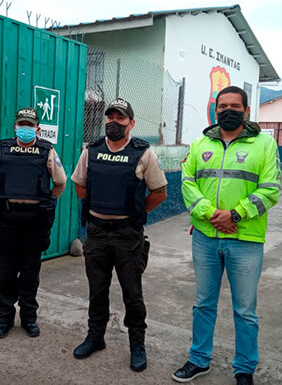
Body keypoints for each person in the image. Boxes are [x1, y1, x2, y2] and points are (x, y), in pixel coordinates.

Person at [173, 86, 281, 385]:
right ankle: (199, 359)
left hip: (245, 239)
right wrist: (211, 214)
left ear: (246, 111)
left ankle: (244, 368)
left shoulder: (264, 145)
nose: (228, 110)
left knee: (245, 309)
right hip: (206, 237)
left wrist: (235, 215)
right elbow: (187, 182)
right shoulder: (199, 144)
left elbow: (270, 189)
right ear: (215, 109)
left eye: (235, 105)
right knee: (203, 303)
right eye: (223, 106)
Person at [71, 98, 168, 372]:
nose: (114, 122)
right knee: (96, 290)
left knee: (132, 294)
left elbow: (159, 193)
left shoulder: (143, 153)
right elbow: (80, 186)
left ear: (131, 123)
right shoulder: (92, 151)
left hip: (128, 235)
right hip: (98, 232)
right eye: (110, 117)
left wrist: (134, 213)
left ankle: (137, 344)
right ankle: (95, 337)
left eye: (120, 118)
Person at [0, 107, 66, 339]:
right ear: (15, 127)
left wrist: (50, 202)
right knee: (5, 273)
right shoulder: (3, 148)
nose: (25, 129)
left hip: (34, 222)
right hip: (7, 220)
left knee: (30, 274)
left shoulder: (47, 151)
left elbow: (61, 182)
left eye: (30, 125)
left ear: (37, 129)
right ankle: (4, 319)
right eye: (22, 124)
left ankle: (29, 318)